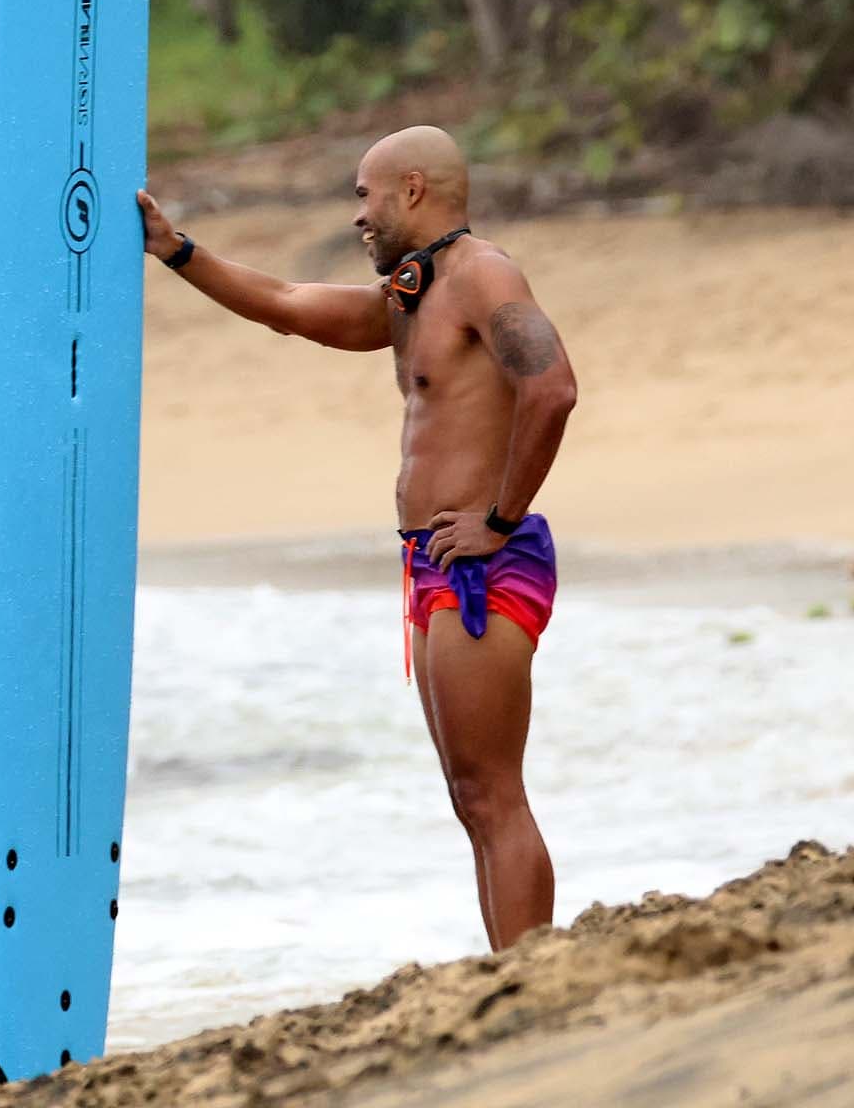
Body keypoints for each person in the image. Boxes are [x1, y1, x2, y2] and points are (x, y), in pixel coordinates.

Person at [137, 126, 577, 951]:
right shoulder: (417, 297)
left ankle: (534, 972)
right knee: (471, 797)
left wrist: (499, 519)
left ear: (412, 189)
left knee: (493, 794)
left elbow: (552, 390)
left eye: (364, 195)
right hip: (435, 566)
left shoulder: (484, 274)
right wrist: (177, 251)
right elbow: (293, 307)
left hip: (482, 565)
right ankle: (514, 971)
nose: (358, 217)